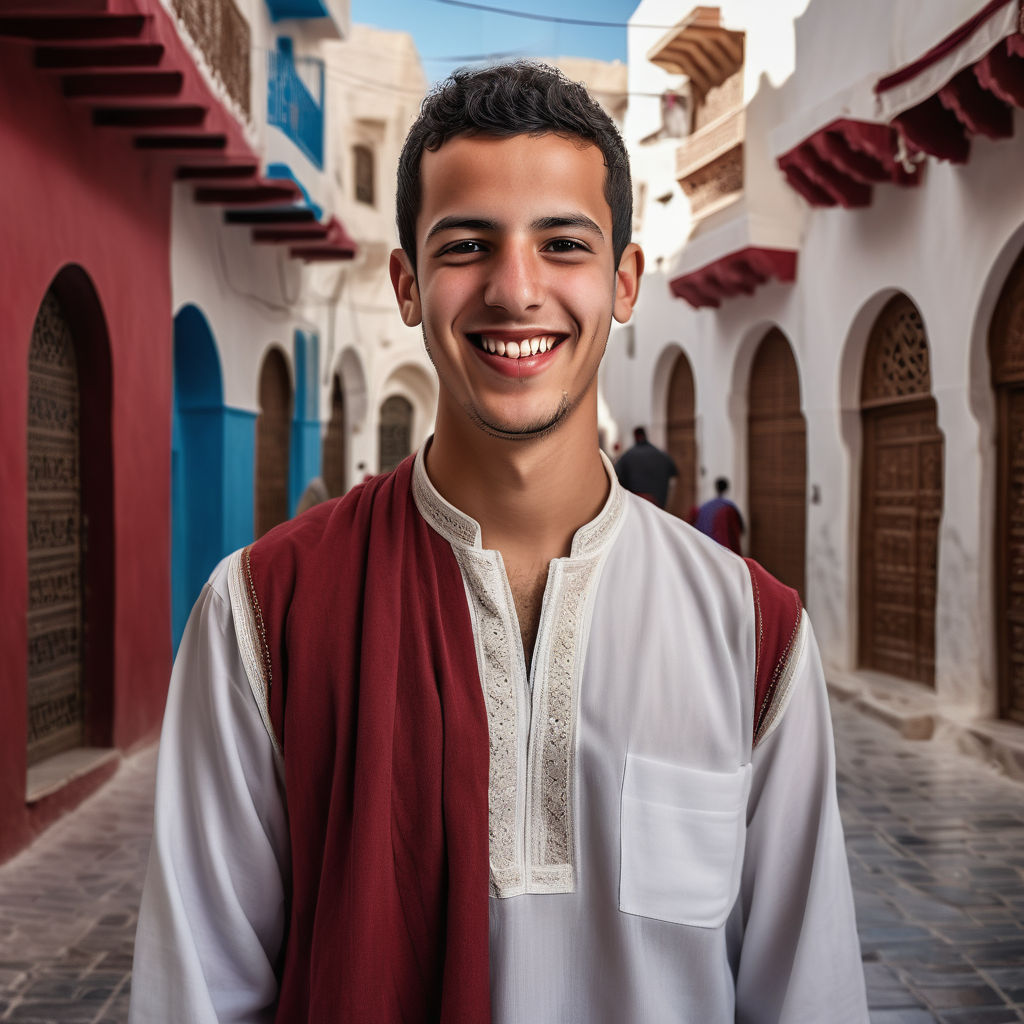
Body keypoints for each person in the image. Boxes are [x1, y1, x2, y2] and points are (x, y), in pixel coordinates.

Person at [130, 63, 868, 1023]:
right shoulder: (263, 615)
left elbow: (805, 996)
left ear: (625, 279)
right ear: (407, 284)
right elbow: (197, 995)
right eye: (467, 244)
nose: (517, 291)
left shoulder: (753, 635)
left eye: (563, 243)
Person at [613, 425, 677, 508]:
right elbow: (674, 472)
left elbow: (616, 476)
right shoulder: (661, 455)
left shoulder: (627, 456)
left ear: (635, 436)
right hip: (658, 504)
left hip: (636, 505)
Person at [695, 475, 745, 554]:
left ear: (716, 487)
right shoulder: (729, 508)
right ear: (727, 489)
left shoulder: (704, 507)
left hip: (703, 547)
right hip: (721, 550)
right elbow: (736, 533)